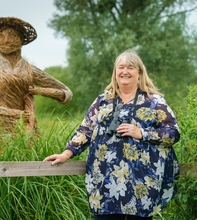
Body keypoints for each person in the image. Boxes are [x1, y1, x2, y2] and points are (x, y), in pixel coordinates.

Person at [44, 50, 180, 220]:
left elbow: (173, 134)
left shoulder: (154, 102)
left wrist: (142, 133)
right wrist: (66, 153)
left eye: (130, 67)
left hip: (142, 184)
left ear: (139, 73)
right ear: (115, 73)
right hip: (104, 181)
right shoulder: (103, 101)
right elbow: (85, 130)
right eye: (121, 67)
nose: (125, 71)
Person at [0, 17, 72, 139]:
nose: (6, 40)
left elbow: (66, 93)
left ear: (21, 40)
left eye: (12, 35)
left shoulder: (30, 70)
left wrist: (39, 91)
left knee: (28, 155)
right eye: (1, 35)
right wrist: (16, 114)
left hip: (25, 132)